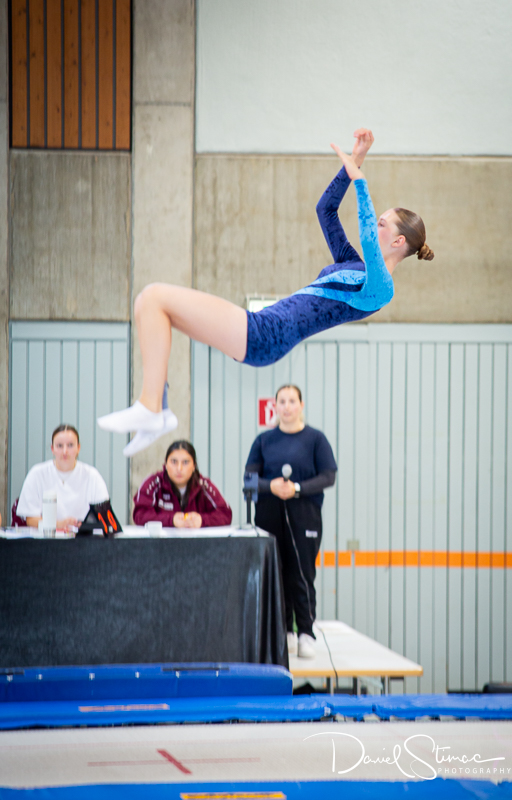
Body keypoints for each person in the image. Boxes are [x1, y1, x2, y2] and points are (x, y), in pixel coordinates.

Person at [98, 129, 433, 454]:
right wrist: (353, 164)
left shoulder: (381, 289)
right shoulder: (353, 264)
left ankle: (151, 409)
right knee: (150, 305)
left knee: (154, 297)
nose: (375, 224)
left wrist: (360, 181)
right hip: (265, 326)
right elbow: (325, 211)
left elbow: (369, 240)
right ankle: (157, 408)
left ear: (399, 241)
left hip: (269, 333)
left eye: (382, 223)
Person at [245, 385, 337, 659]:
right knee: (276, 573)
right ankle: (284, 632)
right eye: (282, 401)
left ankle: (306, 632)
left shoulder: (316, 439)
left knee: (302, 573)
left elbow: (328, 476)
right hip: (269, 514)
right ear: (275, 406)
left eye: (292, 401)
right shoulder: (264, 441)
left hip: (305, 515)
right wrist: (270, 486)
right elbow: (249, 479)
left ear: (301, 405)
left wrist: (297, 488)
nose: (286, 406)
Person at [16, 424, 109, 531]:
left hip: (83, 537)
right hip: (47, 537)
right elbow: (31, 519)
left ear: (78, 448)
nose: (65, 451)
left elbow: (104, 516)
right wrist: (58, 524)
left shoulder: (92, 475)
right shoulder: (37, 474)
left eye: (70, 445)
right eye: (59, 446)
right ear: (52, 449)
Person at [133, 440, 232, 528]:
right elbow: (140, 515)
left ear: (194, 466)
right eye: (174, 462)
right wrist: (171, 520)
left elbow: (225, 514)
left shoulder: (204, 485)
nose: (179, 468)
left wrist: (202, 520)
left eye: (185, 462)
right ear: (166, 464)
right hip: (160, 542)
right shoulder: (152, 484)